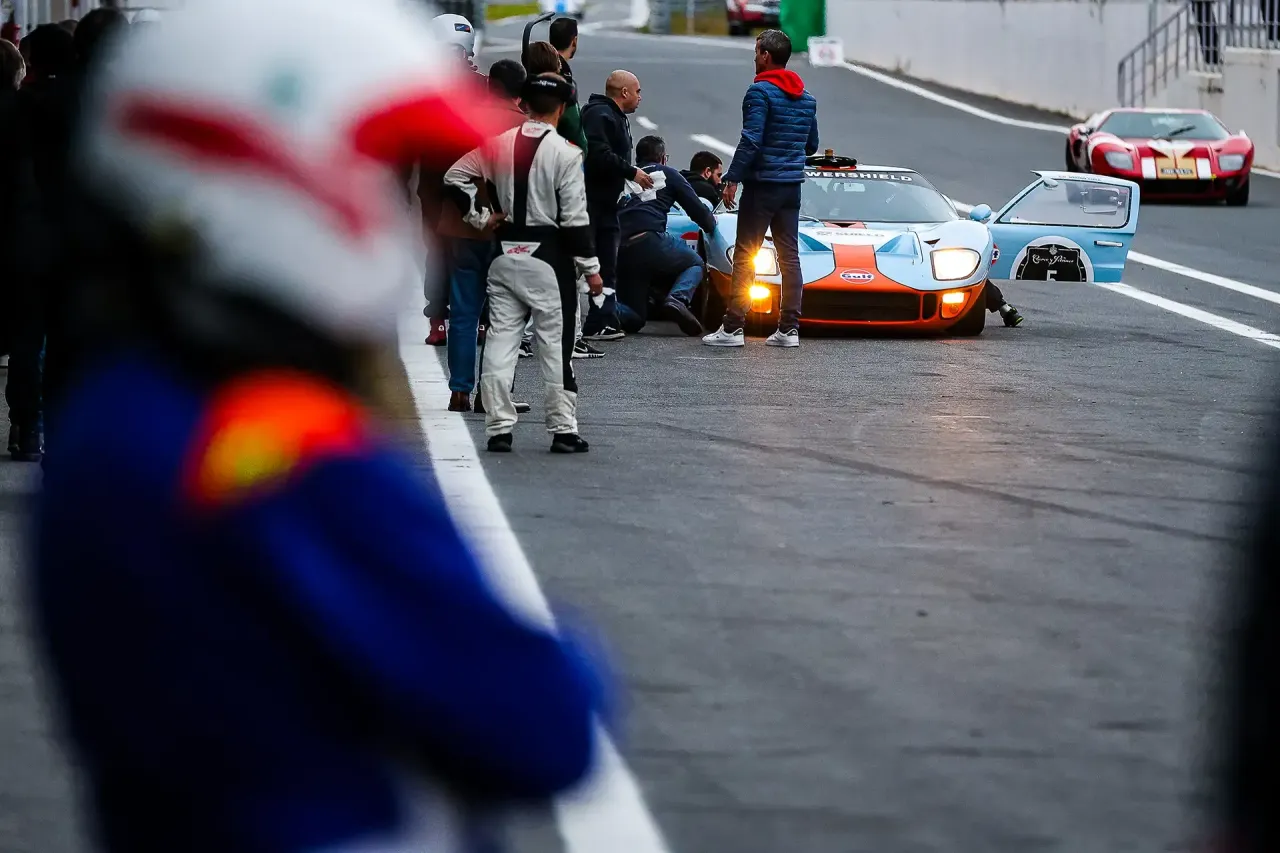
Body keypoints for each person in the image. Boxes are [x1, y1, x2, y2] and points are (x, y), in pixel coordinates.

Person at [30, 3, 608, 853]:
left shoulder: (110, 410)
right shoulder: (271, 447)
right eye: (370, 171)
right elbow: (542, 720)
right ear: (274, 176)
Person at [446, 73, 602, 454]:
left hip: (504, 253)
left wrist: (481, 218)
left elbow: (454, 177)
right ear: (561, 109)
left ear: (524, 104)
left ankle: (498, 428)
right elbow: (575, 218)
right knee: (555, 345)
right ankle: (562, 429)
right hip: (549, 260)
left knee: (501, 340)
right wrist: (591, 268)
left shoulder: (497, 145)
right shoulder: (566, 153)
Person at [704, 29, 817, 349]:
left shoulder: (759, 93)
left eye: (756, 52)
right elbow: (811, 145)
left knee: (746, 253)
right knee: (789, 256)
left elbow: (751, 140)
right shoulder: (807, 99)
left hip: (762, 185)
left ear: (766, 56)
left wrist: (732, 179)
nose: (754, 57)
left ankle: (732, 328)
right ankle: (789, 329)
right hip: (791, 187)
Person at [4, 23, 76, 461]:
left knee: (27, 338)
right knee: (66, 339)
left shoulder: (17, 107)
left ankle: (26, 425)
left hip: (24, 236)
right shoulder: (89, 105)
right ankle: (56, 426)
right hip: (73, 242)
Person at [446, 58, 530, 414]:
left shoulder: (462, 119)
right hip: (509, 233)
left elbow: (448, 173)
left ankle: (459, 391)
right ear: (520, 91)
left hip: (462, 227)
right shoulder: (527, 128)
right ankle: (492, 393)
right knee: (504, 318)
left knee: (464, 312)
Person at [423, 12, 483, 348]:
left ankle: (438, 319)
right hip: (473, 182)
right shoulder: (484, 86)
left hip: (437, 183)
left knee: (440, 251)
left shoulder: (425, 88)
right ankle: (478, 319)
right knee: (476, 250)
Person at [616, 135, 716, 336]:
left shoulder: (625, 177)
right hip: (650, 240)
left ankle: (604, 308)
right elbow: (699, 212)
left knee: (635, 319)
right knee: (695, 263)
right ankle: (677, 299)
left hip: (620, 249)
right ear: (662, 158)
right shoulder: (668, 174)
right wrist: (712, 225)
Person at [580, 69, 650, 344]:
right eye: (638, 91)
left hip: (608, 203)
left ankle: (602, 320)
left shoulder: (615, 116)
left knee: (607, 263)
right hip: (592, 203)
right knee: (588, 264)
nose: (640, 97)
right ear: (624, 92)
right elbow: (598, 155)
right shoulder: (600, 115)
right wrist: (631, 172)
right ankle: (589, 323)